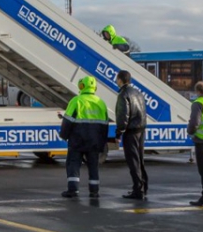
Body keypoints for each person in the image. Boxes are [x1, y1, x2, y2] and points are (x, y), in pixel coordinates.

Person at [59, 76, 110, 199]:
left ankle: (73, 190)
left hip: (77, 140)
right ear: (95, 87)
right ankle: (94, 191)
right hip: (94, 142)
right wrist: (102, 143)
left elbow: (67, 121)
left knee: (73, 164)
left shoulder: (76, 101)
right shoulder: (101, 103)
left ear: (81, 86)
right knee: (93, 166)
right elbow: (105, 125)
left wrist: (63, 135)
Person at [115, 70, 149, 199]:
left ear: (120, 80)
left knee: (133, 161)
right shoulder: (137, 92)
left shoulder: (124, 94)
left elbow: (123, 115)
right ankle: (143, 187)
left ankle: (138, 190)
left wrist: (119, 132)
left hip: (131, 131)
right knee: (140, 160)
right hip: (141, 129)